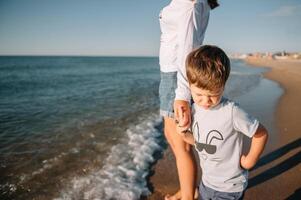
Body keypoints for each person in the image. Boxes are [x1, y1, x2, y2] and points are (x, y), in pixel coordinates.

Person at [176, 45, 269, 200]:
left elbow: (261, 133)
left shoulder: (232, 112)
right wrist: (184, 133)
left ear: (223, 86)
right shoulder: (194, 109)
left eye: (213, 94)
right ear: (189, 86)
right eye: (198, 94)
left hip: (230, 187)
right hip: (207, 183)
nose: (205, 101)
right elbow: (199, 143)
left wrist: (250, 160)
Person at [159, 0, 219, 199]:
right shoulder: (193, 3)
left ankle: (187, 196)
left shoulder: (189, 4)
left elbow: (187, 50)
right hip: (171, 74)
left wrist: (182, 96)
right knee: (176, 139)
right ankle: (188, 190)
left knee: (180, 143)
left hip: (176, 76)